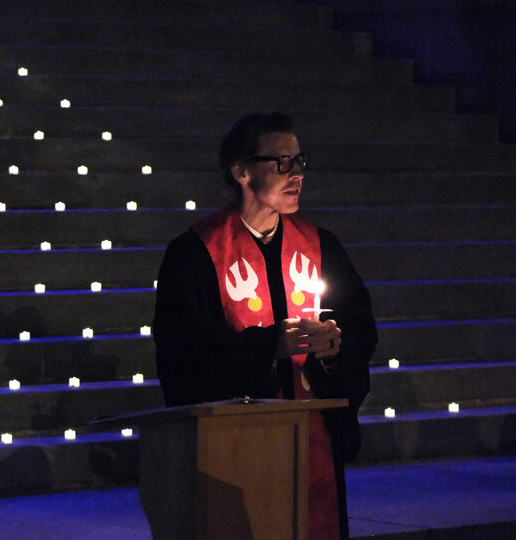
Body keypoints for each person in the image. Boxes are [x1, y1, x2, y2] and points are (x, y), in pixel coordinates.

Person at [153, 112, 378, 539]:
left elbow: (361, 332)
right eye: (281, 163)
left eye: (299, 162)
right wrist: (268, 347)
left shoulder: (320, 245)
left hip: (315, 443)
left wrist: (332, 351)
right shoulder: (196, 254)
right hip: (236, 450)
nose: (296, 175)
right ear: (240, 171)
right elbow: (183, 359)